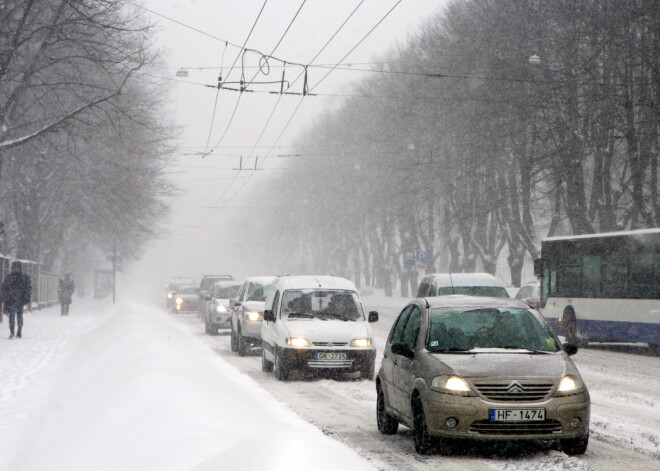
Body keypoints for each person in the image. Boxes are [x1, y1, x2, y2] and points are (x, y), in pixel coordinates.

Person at [1, 261, 32, 339]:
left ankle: (19, 331)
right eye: (15, 267)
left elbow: (28, 288)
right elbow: (4, 289)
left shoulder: (23, 277)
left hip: (19, 300)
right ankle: (12, 332)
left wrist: (27, 297)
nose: (16, 269)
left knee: (19, 316)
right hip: (11, 300)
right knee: (12, 316)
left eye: (17, 267)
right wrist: (3, 298)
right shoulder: (9, 277)